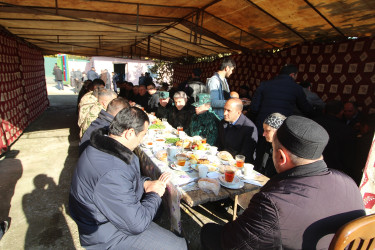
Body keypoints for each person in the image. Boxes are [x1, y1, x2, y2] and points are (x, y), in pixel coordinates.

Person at [201, 115, 366, 249]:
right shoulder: (349, 183)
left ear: (281, 157)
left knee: (208, 232)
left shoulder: (275, 203)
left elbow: (232, 243)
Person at [70, 107, 187, 249]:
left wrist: (145, 183)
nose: (141, 140)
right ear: (130, 133)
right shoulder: (111, 171)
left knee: (158, 210)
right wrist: (155, 194)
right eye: (142, 135)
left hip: (108, 215)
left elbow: (125, 181)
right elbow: (136, 224)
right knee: (178, 245)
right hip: (105, 234)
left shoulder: (102, 144)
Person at [250, 64, 313, 133]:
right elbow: (305, 108)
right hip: (281, 127)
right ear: (292, 75)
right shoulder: (296, 88)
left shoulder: (265, 84)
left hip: (262, 125)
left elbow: (254, 107)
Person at [314, 100, 356, 178]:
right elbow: (348, 157)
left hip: (311, 167)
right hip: (334, 172)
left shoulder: (313, 123)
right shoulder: (346, 130)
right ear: (341, 112)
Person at [217, 98, 258, 163]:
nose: (224, 113)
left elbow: (246, 155)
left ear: (238, 112)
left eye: (228, 110)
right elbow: (219, 145)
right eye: (224, 109)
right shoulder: (223, 123)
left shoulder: (249, 128)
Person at [255, 113, 286, 177]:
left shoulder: (284, 152)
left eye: (267, 131)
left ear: (278, 131)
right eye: (264, 130)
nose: (263, 134)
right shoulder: (265, 143)